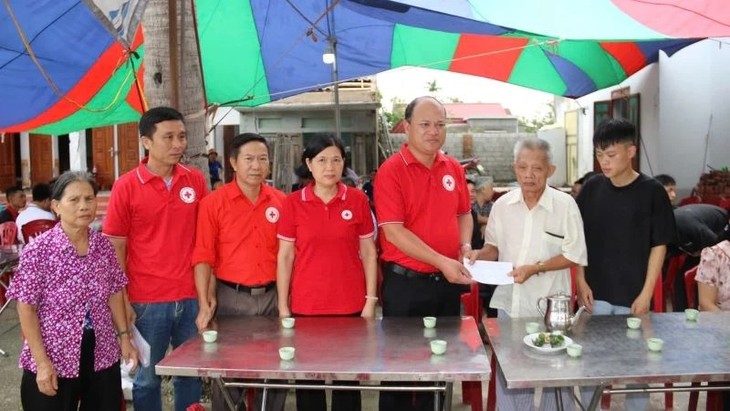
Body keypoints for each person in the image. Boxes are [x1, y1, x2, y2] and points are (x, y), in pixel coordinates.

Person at [468, 138, 587, 410]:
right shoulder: (503, 205)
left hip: (551, 306)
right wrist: (478, 254)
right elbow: (493, 248)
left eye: (537, 168)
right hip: (511, 303)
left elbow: (574, 254)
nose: (529, 175)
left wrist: (537, 268)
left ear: (551, 170)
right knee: (512, 373)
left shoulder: (565, 205)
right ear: (514, 168)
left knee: (556, 373)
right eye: (523, 167)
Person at [103, 106, 207, 411]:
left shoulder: (195, 181)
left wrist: (206, 296)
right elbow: (115, 249)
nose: (178, 144)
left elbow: (204, 241)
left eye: (182, 136)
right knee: (147, 378)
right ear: (147, 142)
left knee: (189, 375)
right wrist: (122, 301)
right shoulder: (126, 186)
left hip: (190, 298)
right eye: (169, 137)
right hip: (146, 301)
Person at [7, 171, 137, 411]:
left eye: (89, 199)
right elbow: (26, 307)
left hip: (101, 352)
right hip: (54, 353)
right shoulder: (39, 250)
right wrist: (42, 363)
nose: (83, 206)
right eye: (74, 200)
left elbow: (115, 293)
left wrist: (125, 338)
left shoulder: (103, 246)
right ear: (56, 206)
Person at [374, 96, 472, 411]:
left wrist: (465, 245)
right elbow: (394, 231)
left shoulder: (453, 167)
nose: (433, 132)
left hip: (446, 284)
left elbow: (463, 213)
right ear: (407, 127)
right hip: (406, 285)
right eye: (425, 125)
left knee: (442, 365)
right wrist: (442, 261)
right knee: (400, 369)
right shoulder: (391, 171)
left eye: (440, 125)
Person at [575, 119, 675, 409]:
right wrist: (580, 281)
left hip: (633, 296)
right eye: (599, 155)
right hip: (596, 294)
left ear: (631, 151)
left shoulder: (652, 191)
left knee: (635, 369)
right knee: (591, 365)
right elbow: (577, 239)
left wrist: (646, 294)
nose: (603, 162)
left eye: (611, 155)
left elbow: (659, 246)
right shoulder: (592, 188)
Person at [277, 135, 377, 411]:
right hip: (306, 308)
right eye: (321, 160)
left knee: (347, 386)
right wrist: (283, 306)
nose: (329, 167)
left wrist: (370, 301)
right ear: (308, 164)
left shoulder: (356, 200)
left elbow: (369, 253)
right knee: (309, 388)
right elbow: (285, 256)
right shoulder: (293, 203)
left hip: (350, 307)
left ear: (344, 163)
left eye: (336, 160)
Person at [193, 133, 287, 411]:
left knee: (274, 373)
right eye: (248, 159)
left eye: (262, 159)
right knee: (230, 372)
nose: (256, 166)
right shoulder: (213, 203)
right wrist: (204, 303)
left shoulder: (282, 201)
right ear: (233, 162)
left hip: (273, 297)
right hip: (231, 298)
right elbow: (203, 257)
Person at [669, 203, 728, 310]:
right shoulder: (667, 226)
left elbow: (714, 245)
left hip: (718, 230)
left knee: (699, 278)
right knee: (683, 278)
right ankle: (683, 314)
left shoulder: (687, 225)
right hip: (704, 243)